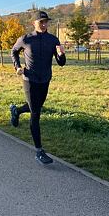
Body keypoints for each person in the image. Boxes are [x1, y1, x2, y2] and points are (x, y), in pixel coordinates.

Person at [10, 10, 66, 165]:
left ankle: (16, 111)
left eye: (46, 21)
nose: (44, 24)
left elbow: (61, 63)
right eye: (40, 22)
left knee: (35, 107)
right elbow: (14, 51)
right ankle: (39, 151)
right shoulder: (26, 39)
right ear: (34, 23)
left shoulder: (53, 40)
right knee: (36, 113)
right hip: (29, 79)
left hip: (45, 79)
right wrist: (17, 66)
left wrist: (61, 55)